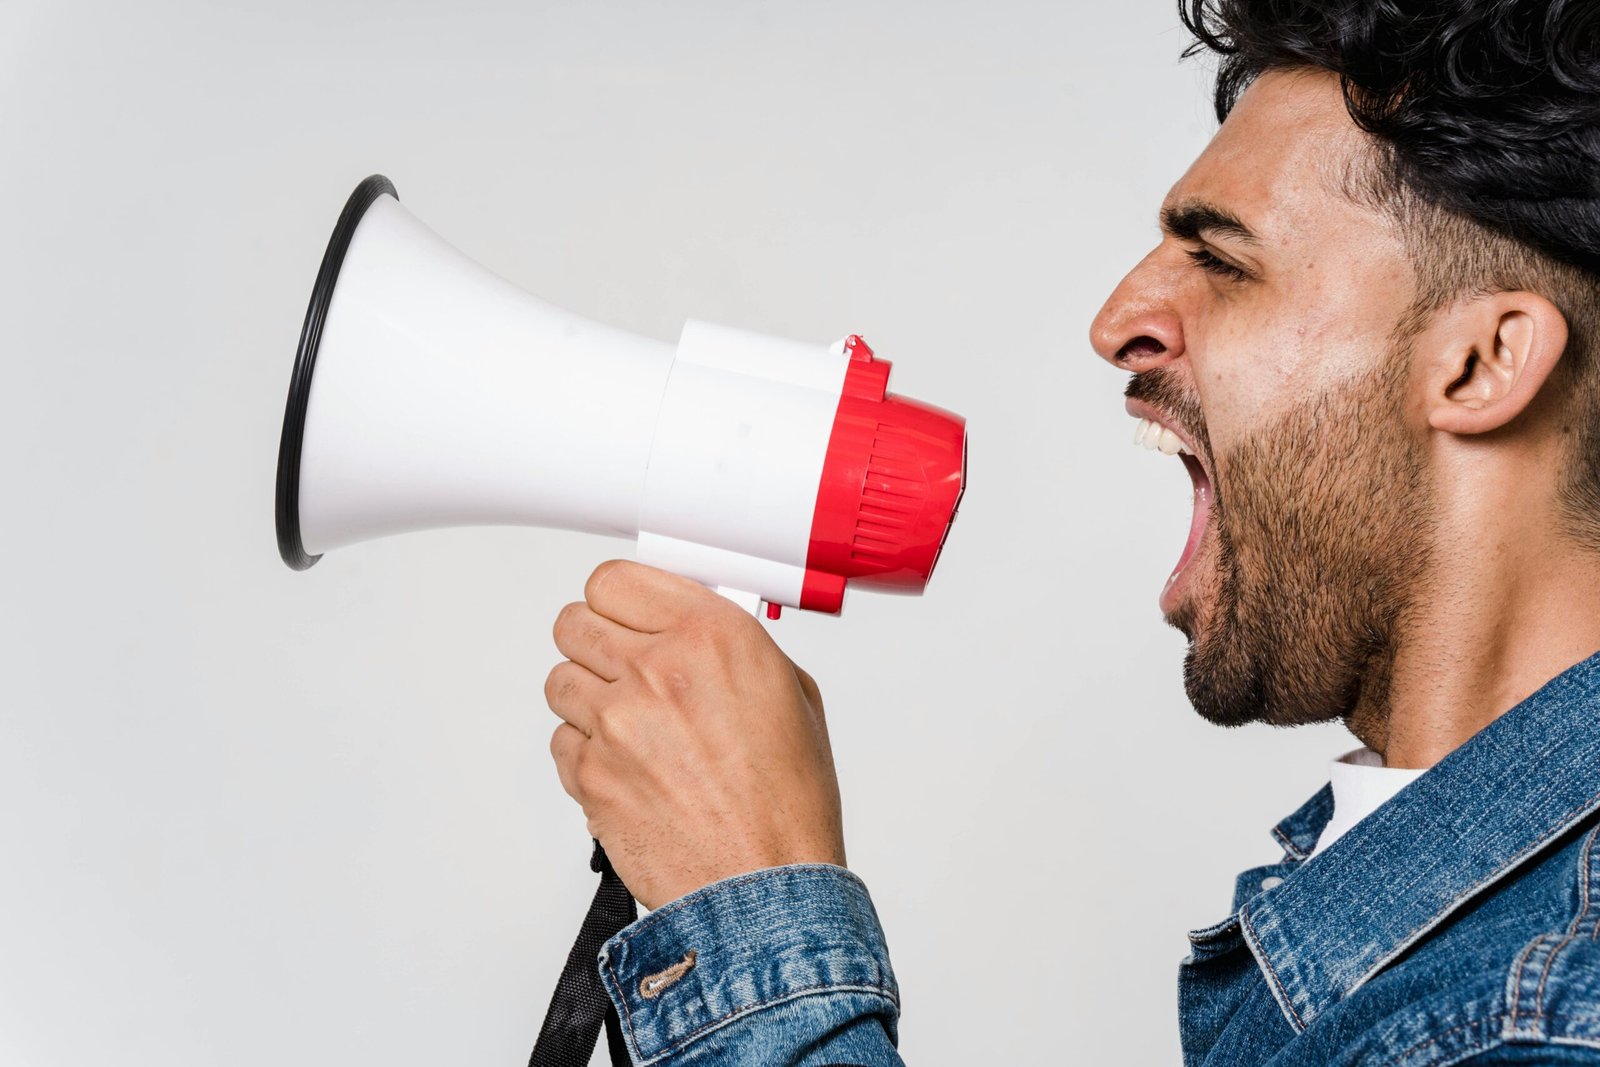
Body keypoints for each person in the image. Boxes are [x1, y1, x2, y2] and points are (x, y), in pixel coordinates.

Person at [542, 0, 1600, 1062]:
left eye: (1222, 261)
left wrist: (751, 908)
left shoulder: (1544, 1019)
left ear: (1481, 362)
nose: (1117, 318)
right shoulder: (1431, 925)